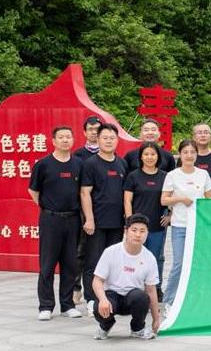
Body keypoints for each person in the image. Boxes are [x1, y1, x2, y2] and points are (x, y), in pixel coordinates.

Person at [29, 126, 84, 320]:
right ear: (53, 141)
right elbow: (33, 191)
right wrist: (47, 207)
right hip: (50, 219)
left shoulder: (78, 164)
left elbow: (83, 191)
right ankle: (45, 306)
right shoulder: (43, 164)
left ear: (73, 139)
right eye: (61, 137)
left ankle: (67, 305)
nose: (65, 140)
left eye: (68, 136)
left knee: (70, 263)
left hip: (73, 219)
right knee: (47, 263)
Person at [81, 124, 129, 315]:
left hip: (116, 222)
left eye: (112, 138)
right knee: (93, 261)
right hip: (97, 222)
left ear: (117, 140)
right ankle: (91, 299)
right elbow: (85, 192)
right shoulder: (91, 164)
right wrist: (89, 219)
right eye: (105, 138)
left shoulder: (122, 163)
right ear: (98, 139)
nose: (109, 141)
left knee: (113, 262)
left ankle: (110, 297)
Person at [161, 139, 211, 308]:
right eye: (185, 152)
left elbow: (210, 198)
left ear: (196, 154)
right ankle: (169, 301)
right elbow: (164, 200)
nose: (189, 155)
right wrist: (180, 199)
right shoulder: (172, 175)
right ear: (180, 154)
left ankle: (194, 299)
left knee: (199, 263)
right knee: (179, 263)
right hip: (180, 226)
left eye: (192, 152)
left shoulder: (203, 174)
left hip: (200, 227)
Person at [91, 214, 160, 340]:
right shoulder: (111, 252)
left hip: (132, 299)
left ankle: (137, 329)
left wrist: (156, 319)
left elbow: (151, 290)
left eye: (142, 231)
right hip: (111, 297)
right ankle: (105, 326)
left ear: (147, 233)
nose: (138, 234)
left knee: (142, 297)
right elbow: (97, 280)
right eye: (134, 230)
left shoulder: (150, 258)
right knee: (98, 306)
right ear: (126, 231)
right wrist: (102, 299)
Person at [122, 142, 168, 303]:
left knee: (155, 258)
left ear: (158, 157)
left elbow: (170, 198)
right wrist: (130, 223)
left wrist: (170, 215)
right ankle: (133, 290)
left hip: (157, 226)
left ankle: (155, 289)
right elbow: (127, 200)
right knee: (134, 257)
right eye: (146, 154)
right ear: (141, 157)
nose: (149, 157)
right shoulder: (133, 176)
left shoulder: (165, 176)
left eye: (153, 154)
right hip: (137, 227)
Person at [72, 115, 102, 303]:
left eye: (97, 129)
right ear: (84, 132)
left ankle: (100, 288)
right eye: (90, 129)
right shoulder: (78, 155)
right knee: (80, 250)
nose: (94, 132)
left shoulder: (110, 153)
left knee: (101, 250)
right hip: (82, 210)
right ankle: (76, 287)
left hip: (103, 209)